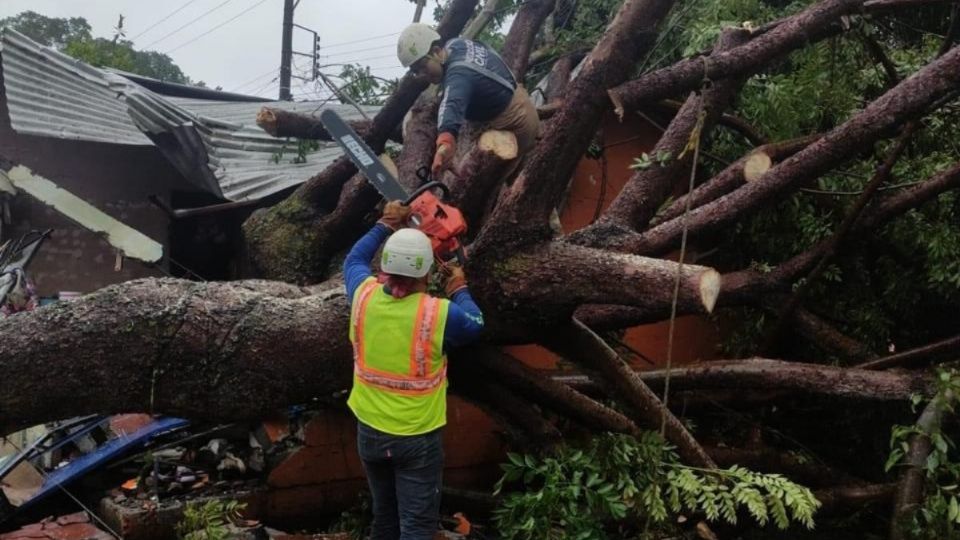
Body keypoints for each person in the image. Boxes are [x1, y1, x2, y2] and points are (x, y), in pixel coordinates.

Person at [343, 201, 484, 540]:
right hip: (416, 437)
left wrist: (384, 225)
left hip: (370, 432)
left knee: (386, 519)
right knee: (417, 528)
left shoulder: (363, 295)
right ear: (428, 272)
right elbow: (477, 325)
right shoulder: (439, 313)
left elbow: (354, 260)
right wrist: (460, 289)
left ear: (387, 266)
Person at [397, 23, 540, 178]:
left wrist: (445, 142)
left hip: (515, 124)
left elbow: (452, 103)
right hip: (517, 98)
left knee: (490, 181)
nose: (422, 74)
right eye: (416, 71)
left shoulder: (458, 76)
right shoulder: (456, 44)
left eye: (423, 67)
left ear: (437, 52)